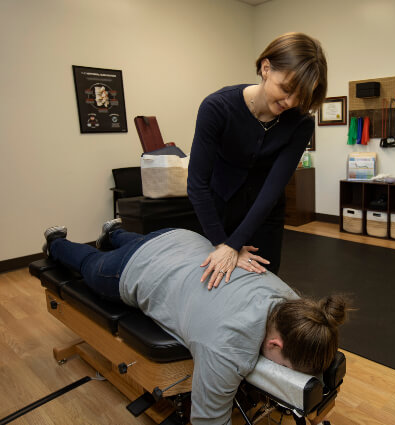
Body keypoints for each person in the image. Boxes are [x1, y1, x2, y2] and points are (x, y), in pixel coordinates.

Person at [43, 219, 348, 425]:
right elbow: (207, 421)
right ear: (274, 344)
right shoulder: (226, 347)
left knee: (135, 239)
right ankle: (55, 242)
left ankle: (114, 232)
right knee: (89, 264)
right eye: (286, 369)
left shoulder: (293, 302)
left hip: (180, 239)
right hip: (132, 269)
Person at [187, 32, 328, 289]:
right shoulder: (217, 108)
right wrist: (224, 243)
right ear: (266, 68)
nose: (291, 102)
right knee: (216, 284)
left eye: (302, 96)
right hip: (218, 213)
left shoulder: (301, 122)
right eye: (286, 89)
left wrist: (235, 244)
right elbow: (197, 184)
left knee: (263, 285)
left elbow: (273, 189)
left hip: (265, 216)